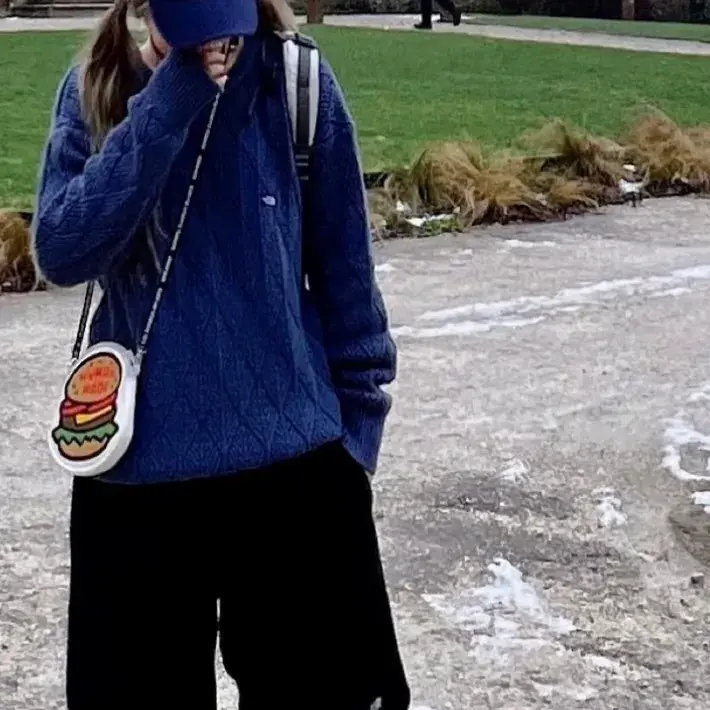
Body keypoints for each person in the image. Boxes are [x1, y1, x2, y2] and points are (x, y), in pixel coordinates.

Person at [32, 0, 410, 708]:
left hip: (296, 478)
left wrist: (355, 441)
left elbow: (347, 279)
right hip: (137, 482)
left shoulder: (294, 83)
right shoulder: (99, 87)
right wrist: (173, 91)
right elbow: (62, 251)